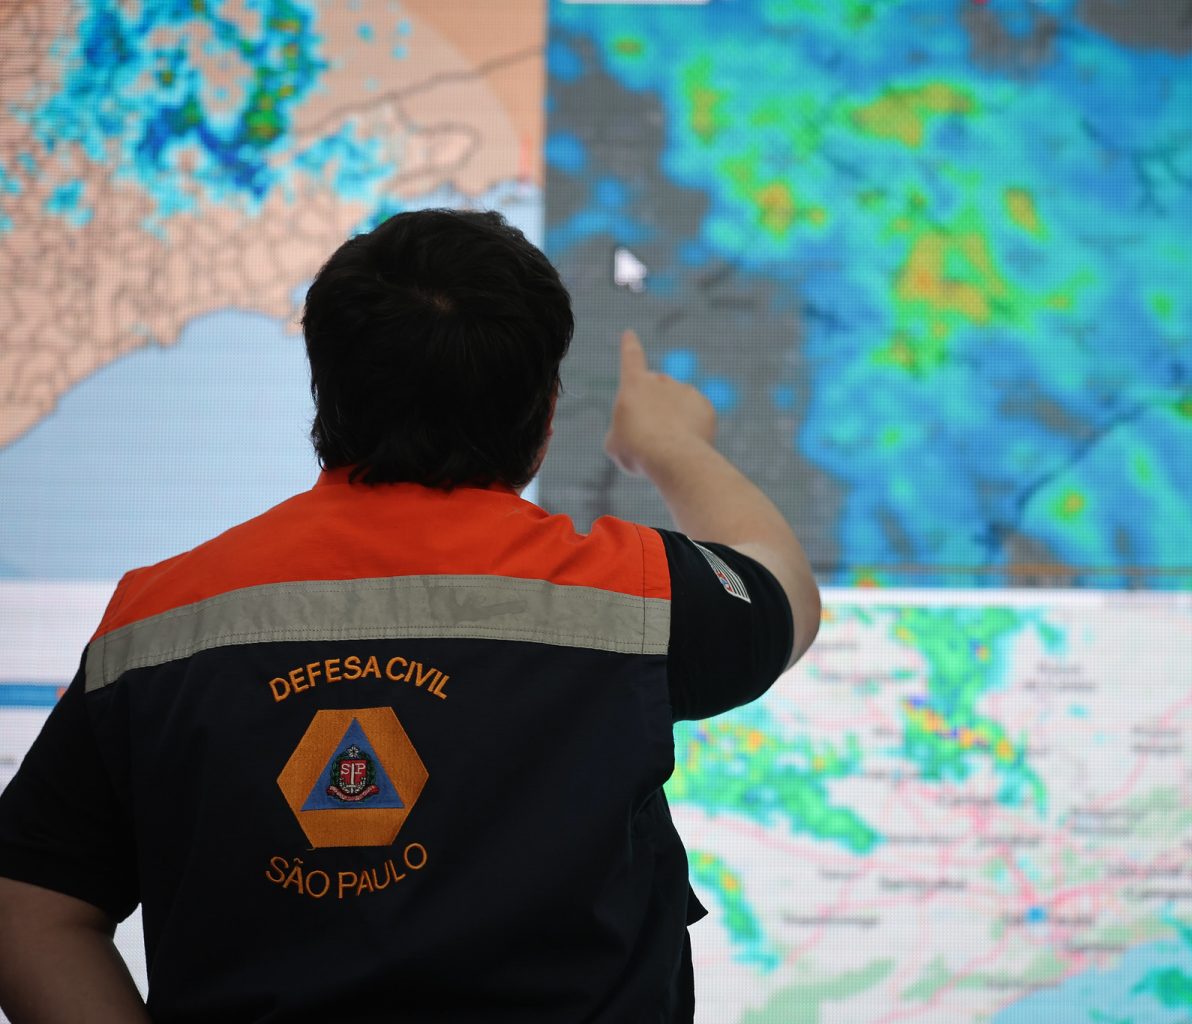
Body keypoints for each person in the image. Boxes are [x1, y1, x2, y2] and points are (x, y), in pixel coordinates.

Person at [0, 209, 820, 1023]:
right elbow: (781, 588)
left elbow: (29, 906)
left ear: (326, 388)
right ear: (544, 418)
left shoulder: (153, 620)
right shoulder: (633, 593)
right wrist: (669, 444)